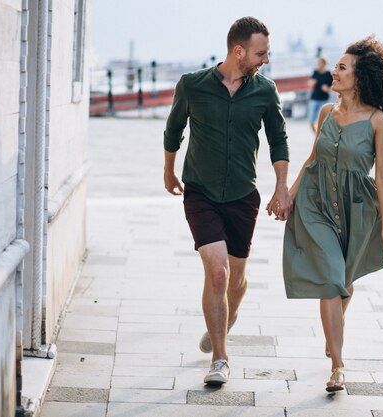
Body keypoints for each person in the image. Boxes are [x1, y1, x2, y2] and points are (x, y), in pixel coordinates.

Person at [163, 16, 292, 386]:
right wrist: (169, 171)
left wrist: (281, 187)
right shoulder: (192, 85)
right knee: (217, 272)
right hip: (200, 191)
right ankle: (220, 357)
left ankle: (226, 317)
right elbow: (174, 129)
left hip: (242, 195)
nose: (265, 59)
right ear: (239, 51)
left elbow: (279, 140)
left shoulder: (265, 91)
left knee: (237, 276)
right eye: (260, 53)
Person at [281, 36, 383, 393]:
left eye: (342, 68)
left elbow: (381, 175)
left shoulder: (376, 120)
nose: (334, 73)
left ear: (360, 76)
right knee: (331, 278)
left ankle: (332, 331)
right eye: (335, 66)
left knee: (344, 281)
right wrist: (288, 196)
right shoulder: (325, 113)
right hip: (316, 204)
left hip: (357, 209)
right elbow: (312, 159)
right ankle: (338, 365)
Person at [308, 56, 333, 133]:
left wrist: (327, 89)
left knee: (323, 121)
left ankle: (322, 137)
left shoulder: (329, 74)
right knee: (311, 121)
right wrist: (312, 83)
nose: (318, 64)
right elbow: (309, 83)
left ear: (324, 64)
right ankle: (316, 136)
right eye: (317, 63)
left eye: (320, 63)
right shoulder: (315, 72)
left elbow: (333, 88)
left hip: (324, 100)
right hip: (314, 99)